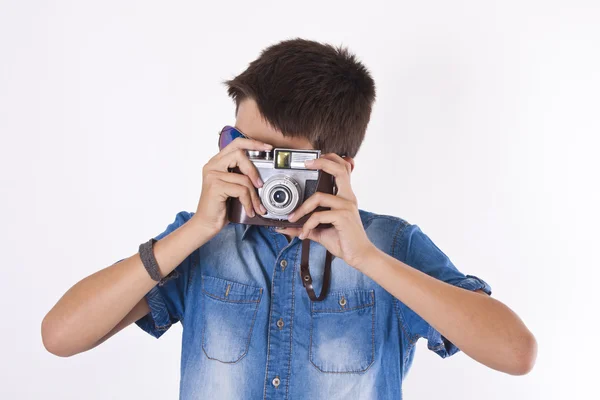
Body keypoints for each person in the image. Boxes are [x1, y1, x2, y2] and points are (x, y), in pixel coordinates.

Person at [41, 37, 537, 399]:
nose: (253, 173)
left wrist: (365, 258)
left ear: (337, 167)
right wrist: (194, 230)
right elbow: (59, 336)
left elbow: (517, 354)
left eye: (276, 161)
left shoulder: (388, 243)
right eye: (239, 147)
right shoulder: (202, 240)